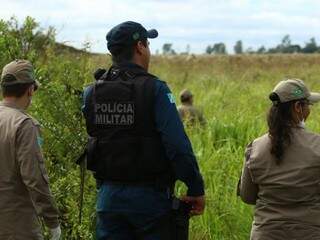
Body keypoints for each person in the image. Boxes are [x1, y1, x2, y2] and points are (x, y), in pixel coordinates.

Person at [82, 21, 205, 239]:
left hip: (107, 199)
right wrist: (195, 187)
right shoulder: (155, 89)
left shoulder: (91, 93)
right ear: (139, 47)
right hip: (150, 201)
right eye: (148, 44)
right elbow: (177, 146)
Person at [238, 79, 320, 240]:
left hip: (265, 234)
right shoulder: (317, 145)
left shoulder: (255, 148)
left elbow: (247, 196)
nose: (309, 111)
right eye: (308, 105)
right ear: (297, 108)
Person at [0, 60, 61, 240]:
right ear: (30, 90)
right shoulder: (24, 124)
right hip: (16, 226)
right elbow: (34, 178)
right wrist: (52, 221)